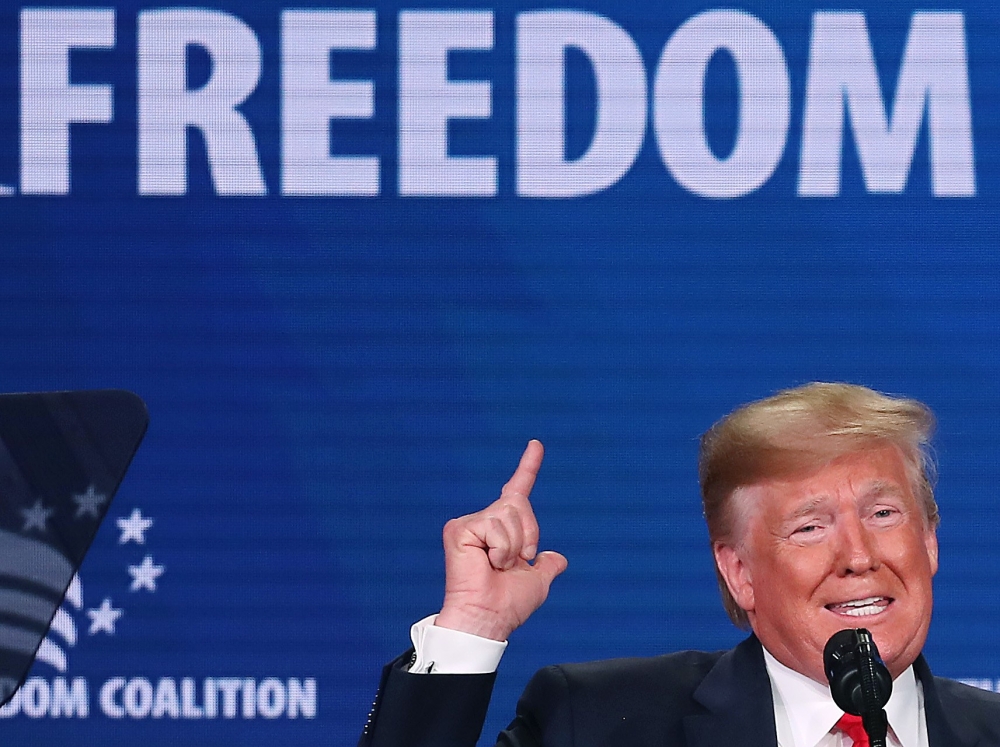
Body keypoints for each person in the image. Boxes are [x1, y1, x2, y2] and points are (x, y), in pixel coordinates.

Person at [359, 383, 1000, 746]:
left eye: (883, 514)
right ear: (739, 573)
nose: (858, 556)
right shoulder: (597, 724)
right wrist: (471, 628)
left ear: (930, 542)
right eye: (810, 527)